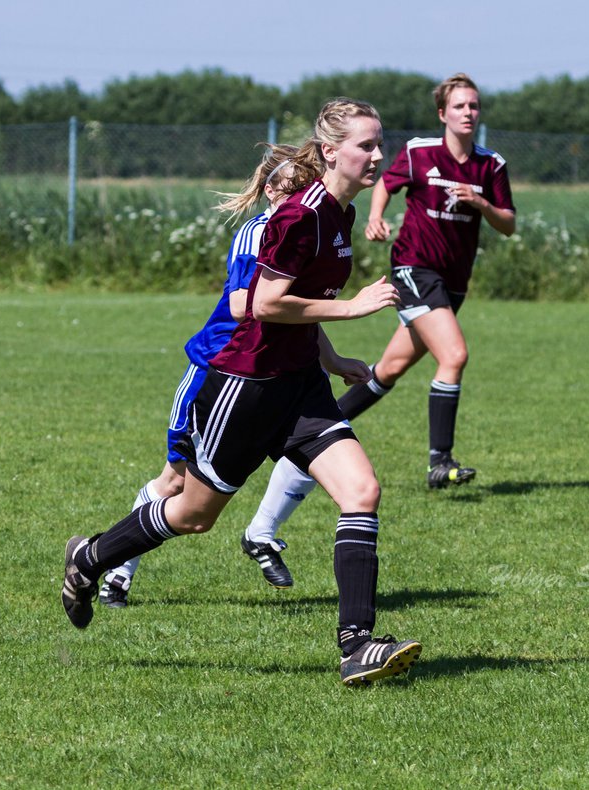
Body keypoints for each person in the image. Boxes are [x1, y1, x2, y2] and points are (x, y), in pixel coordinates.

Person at [62, 98, 423, 686]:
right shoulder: (297, 217)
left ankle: (356, 646)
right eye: (366, 145)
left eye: (380, 143)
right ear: (331, 151)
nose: (379, 155)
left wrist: (330, 358)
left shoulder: (340, 214)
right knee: (193, 514)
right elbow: (261, 304)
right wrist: (354, 308)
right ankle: (90, 559)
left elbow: (299, 306)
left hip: (299, 386)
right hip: (246, 386)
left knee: (362, 490)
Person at [236, 74, 516, 586]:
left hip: (453, 284)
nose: (469, 113)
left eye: (475, 105)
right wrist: (378, 219)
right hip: (412, 270)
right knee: (453, 355)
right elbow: (253, 302)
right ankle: (440, 460)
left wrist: (477, 202)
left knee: (379, 377)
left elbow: (509, 222)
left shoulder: (489, 166)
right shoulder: (417, 156)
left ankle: (269, 516)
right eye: (459, 105)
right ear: (442, 112)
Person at [98, 144, 300, 609]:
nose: (298, 198)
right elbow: (246, 306)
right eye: (289, 188)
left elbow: (296, 316)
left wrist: (331, 360)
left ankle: (262, 532)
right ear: (270, 190)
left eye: (304, 189)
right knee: (174, 481)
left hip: (269, 374)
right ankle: (115, 573)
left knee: (318, 451)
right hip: (217, 369)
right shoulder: (259, 233)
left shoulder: (301, 236)